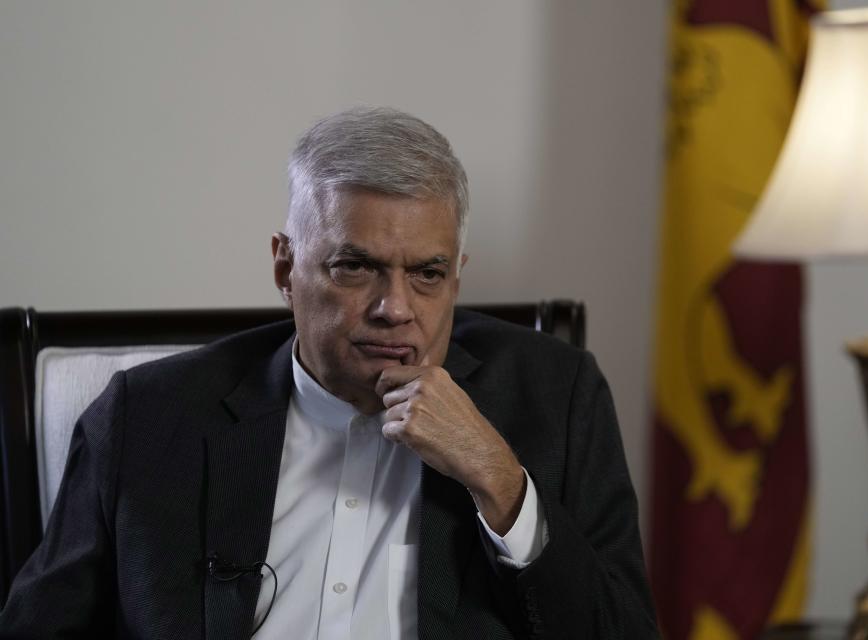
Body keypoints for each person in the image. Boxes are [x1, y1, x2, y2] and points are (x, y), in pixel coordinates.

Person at [0, 107, 659, 638]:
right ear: (286, 267)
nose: (394, 308)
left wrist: (501, 481)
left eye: (427, 274)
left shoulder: (557, 399)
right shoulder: (147, 418)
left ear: (457, 276)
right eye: (354, 267)